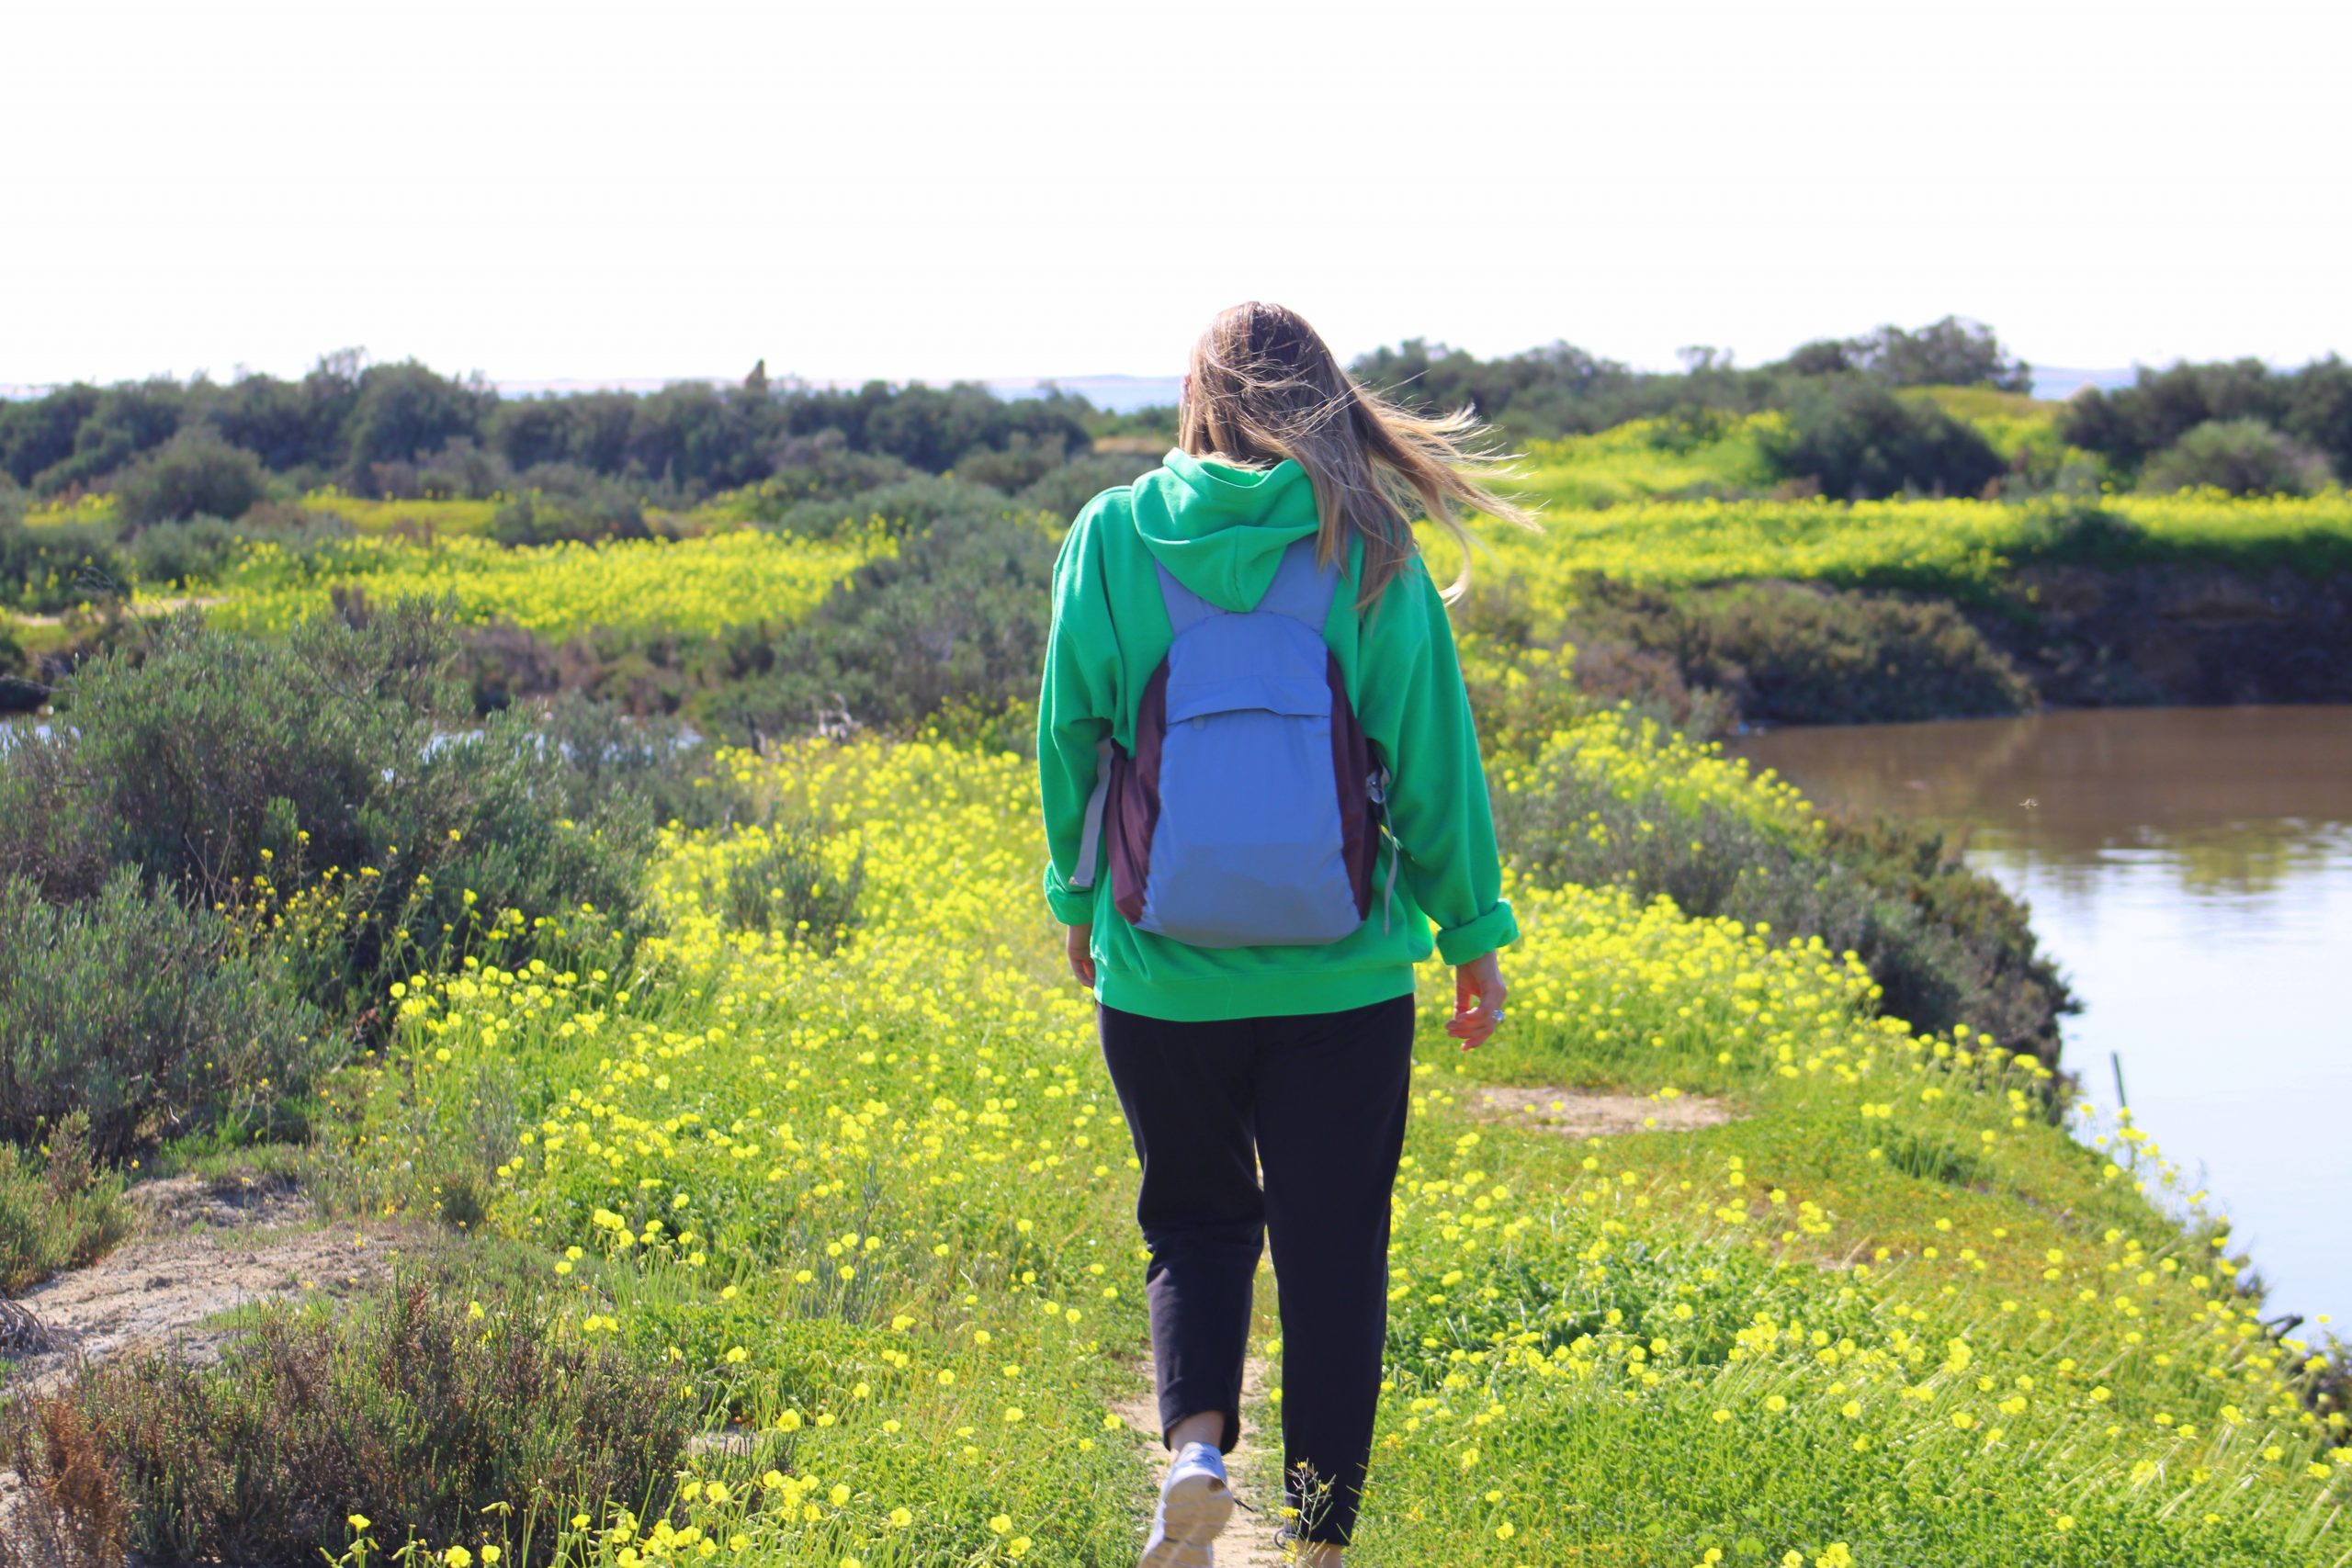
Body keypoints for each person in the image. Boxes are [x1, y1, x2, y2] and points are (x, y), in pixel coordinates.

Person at [1035, 301, 1540, 1567]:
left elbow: (1069, 738)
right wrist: (1470, 932)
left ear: (1199, 396)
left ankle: (1197, 1453)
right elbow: (1432, 759)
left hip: (1162, 972)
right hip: (1346, 981)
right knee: (1334, 1257)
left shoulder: (1110, 538)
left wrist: (1078, 901)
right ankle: (1317, 1544)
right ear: (1325, 398)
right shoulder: (1364, 541)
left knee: (1195, 1224)